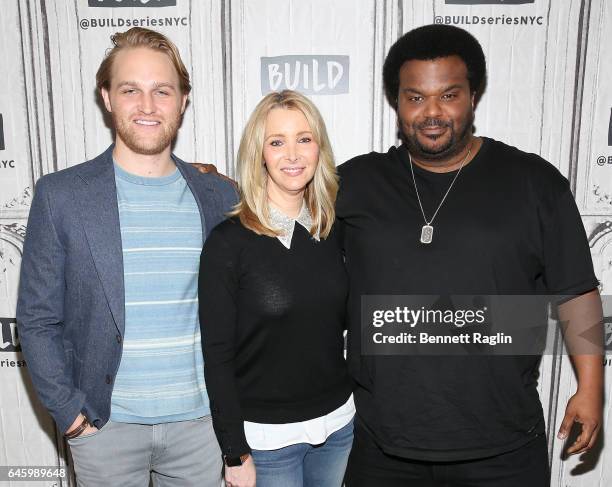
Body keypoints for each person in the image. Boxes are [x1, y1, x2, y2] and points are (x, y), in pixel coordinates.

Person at [337, 24, 604, 486]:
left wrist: (592, 387)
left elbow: (576, 290)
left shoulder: (533, 183)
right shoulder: (354, 184)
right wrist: (217, 187)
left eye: (449, 95)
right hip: (384, 446)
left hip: (502, 446)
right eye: (415, 97)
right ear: (396, 102)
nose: (432, 113)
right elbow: (277, 222)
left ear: (474, 97)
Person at [16, 27, 236, 486]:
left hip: (201, 427)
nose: (148, 106)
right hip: (104, 428)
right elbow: (37, 318)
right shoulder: (62, 196)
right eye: (130, 90)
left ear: (183, 100)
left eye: (162, 91)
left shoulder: (218, 195)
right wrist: (72, 416)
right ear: (107, 97)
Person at [198, 90, 355, 487]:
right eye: (277, 141)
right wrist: (234, 452)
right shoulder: (228, 242)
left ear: (319, 148)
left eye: (304, 139)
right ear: (260, 153)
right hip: (267, 441)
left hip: (338, 427)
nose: (293, 154)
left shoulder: (335, 230)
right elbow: (217, 357)